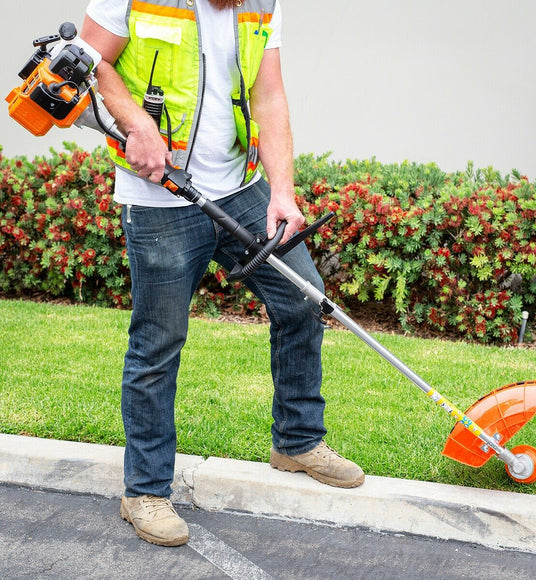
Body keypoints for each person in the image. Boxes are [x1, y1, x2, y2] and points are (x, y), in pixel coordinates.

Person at [81, 0, 364, 547]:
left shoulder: (262, 2)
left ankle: (298, 441)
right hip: (160, 198)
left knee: (303, 298)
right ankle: (144, 490)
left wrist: (281, 190)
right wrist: (136, 122)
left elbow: (269, 93)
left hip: (241, 190)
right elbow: (88, 61)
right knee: (158, 342)